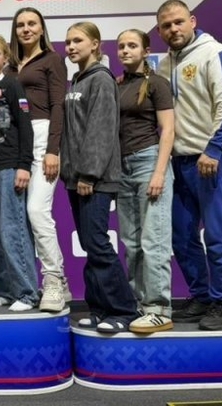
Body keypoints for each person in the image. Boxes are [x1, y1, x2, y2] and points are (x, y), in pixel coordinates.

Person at [156, 0, 222, 331]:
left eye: (178, 22)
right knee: (181, 236)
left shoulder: (217, 53)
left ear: (192, 21)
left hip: (216, 158)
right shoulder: (164, 65)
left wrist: (214, 148)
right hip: (179, 163)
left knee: (219, 235)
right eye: (166, 25)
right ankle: (202, 296)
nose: (173, 29)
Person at [60, 22, 139, 332]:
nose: (70, 47)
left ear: (95, 44)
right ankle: (100, 309)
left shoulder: (101, 79)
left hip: (94, 179)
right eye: (68, 42)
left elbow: (101, 130)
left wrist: (89, 174)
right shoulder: (78, 80)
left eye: (78, 40)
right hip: (75, 177)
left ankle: (123, 311)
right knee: (90, 245)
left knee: (97, 243)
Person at [5, 7, 71, 312]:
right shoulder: (11, 66)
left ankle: (54, 281)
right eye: (20, 25)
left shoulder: (52, 60)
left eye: (32, 23)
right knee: (20, 217)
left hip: (43, 136)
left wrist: (52, 150)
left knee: (37, 210)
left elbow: (58, 106)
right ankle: (43, 284)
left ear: (42, 28)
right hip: (17, 140)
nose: (26, 29)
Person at [115, 28, 176, 333]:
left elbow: (168, 130)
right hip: (122, 168)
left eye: (132, 45)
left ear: (146, 51)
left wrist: (160, 172)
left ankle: (159, 309)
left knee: (154, 241)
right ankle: (139, 305)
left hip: (150, 162)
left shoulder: (157, 83)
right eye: (121, 46)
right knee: (131, 243)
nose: (125, 50)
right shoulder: (117, 84)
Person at [0, 34, 39, 312]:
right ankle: (4, 289)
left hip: (10, 164)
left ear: (5, 57)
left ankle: (27, 292)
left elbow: (25, 126)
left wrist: (24, 165)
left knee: (13, 228)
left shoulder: (12, 84)